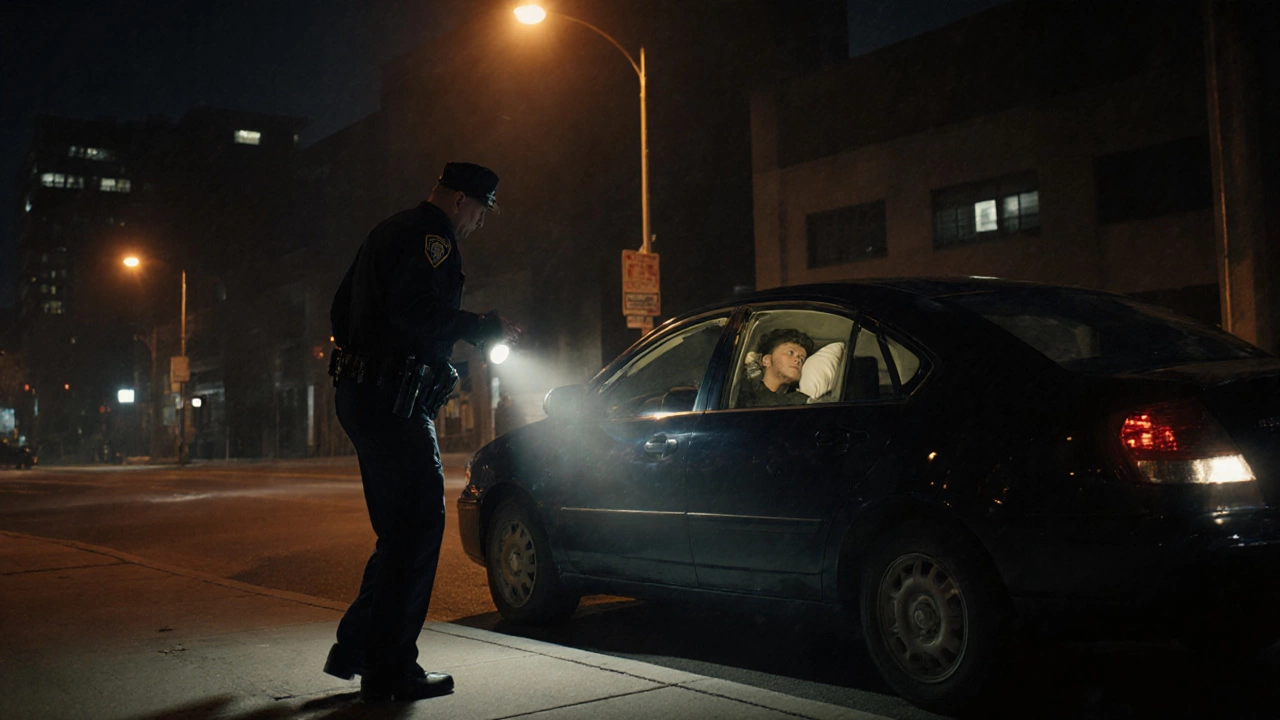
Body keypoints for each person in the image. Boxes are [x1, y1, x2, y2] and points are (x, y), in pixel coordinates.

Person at [323, 162, 519, 703]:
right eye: (480, 210)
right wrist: (480, 327)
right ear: (459, 200)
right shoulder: (434, 238)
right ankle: (391, 671)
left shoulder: (387, 230)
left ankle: (359, 649)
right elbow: (416, 312)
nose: (480, 222)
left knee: (399, 531)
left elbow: (341, 311)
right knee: (418, 526)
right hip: (394, 400)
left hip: (363, 394)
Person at [738, 328, 813, 407]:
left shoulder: (803, 402)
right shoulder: (745, 394)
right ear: (766, 360)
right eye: (790, 352)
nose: (797, 360)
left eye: (801, 359)